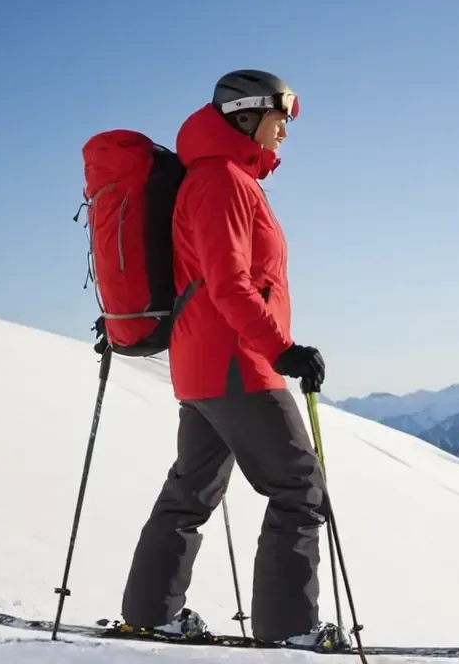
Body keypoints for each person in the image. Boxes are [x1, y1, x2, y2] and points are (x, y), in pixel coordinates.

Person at [115, 69, 345, 650]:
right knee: (299, 486)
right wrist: (283, 349)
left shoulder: (220, 178)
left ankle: (151, 613)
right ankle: (290, 629)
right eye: (279, 119)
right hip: (236, 363)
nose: (286, 133)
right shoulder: (222, 181)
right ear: (245, 116)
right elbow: (229, 283)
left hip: (203, 367)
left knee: (190, 490)